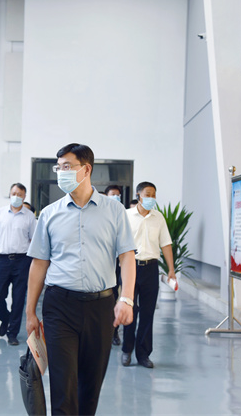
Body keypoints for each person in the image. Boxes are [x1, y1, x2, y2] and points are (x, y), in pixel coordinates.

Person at [25, 143, 137, 415]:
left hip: (101, 306)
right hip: (59, 306)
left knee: (90, 385)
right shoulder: (49, 214)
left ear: (86, 169)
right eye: (58, 167)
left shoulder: (114, 211)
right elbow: (39, 264)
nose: (61, 172)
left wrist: (126, 298)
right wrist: (30, 312)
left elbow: (126, 256)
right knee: (62, 385)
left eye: (67, 167)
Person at [121, 181, 176, 369]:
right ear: (138, 195)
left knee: (148, 312)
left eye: (154, 195)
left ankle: (143, 354)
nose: (151, 198)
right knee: (129, 309)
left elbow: (166, 244)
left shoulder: (158, 218)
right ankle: (127, 350)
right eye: (148, 194)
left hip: (151, 269)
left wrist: (171, 269)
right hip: (130, 267)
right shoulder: (126, 216)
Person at [0, 183, 37, 346]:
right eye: (14, 193)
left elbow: (33, 240)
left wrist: (34, 263)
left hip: (22, 261)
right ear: (10, 194)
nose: (16, 196)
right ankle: (5, 318)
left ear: (24, 196)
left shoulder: (29, 216)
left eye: (20, 194)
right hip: (2, 260)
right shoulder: (0, 213)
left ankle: (12, 333)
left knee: (18, 298)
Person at [104, 185, 124, 346]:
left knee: (115, 296)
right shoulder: (102, 213)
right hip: (104, 262)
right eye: (113, 194)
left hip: (118, 263)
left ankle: (114, 332)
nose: (116, 197)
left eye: (118, 195)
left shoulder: (121, 214)